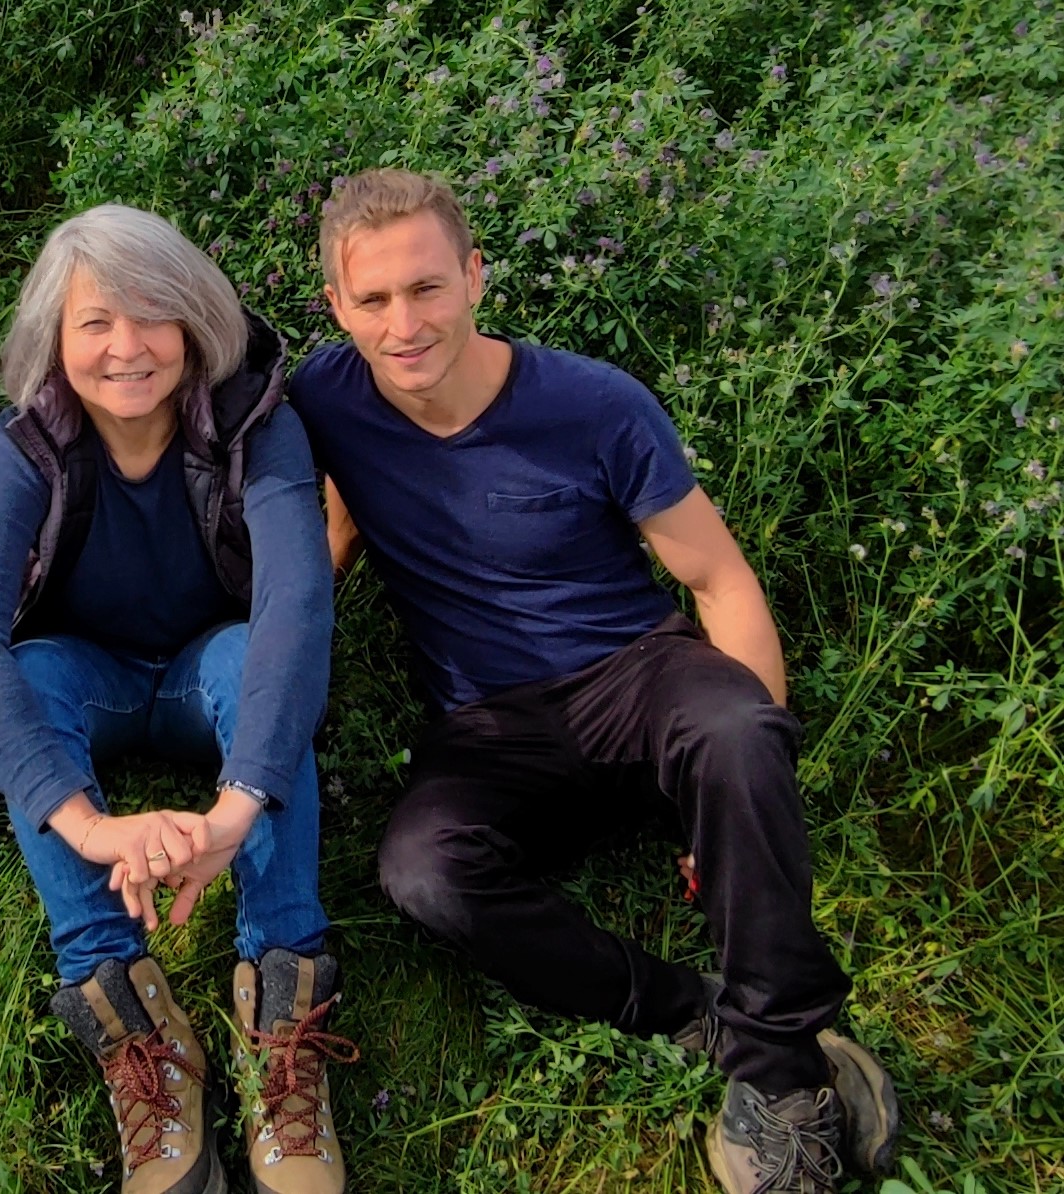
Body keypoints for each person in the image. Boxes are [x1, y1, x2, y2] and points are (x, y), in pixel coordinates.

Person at [290, 169, 901, 1194]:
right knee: (423, 874)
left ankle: (780, 1069)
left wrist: (749, 775)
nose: (405, 323)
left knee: (737, 731)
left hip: (632, 677)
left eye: (427, 287)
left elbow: (717, 576)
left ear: (475, 276)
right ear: (337, 308)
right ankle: (689, 1009)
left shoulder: (593, 404)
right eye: (374, 300)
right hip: (485, 727)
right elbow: (331, 532)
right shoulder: (325, 398)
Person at [0, 204, 354, 1194]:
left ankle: (280, 1022)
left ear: (194, 320)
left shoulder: (259, 425)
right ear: (55, 336)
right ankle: (137, 1034)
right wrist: (87, 828)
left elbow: (297, 602)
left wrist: (236, 804)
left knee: (264, 657)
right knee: (27, 681)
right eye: (95, 323)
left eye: (152, 315)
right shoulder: (21, 448)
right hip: (90, 674)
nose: (127, 349)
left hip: (217, 660)